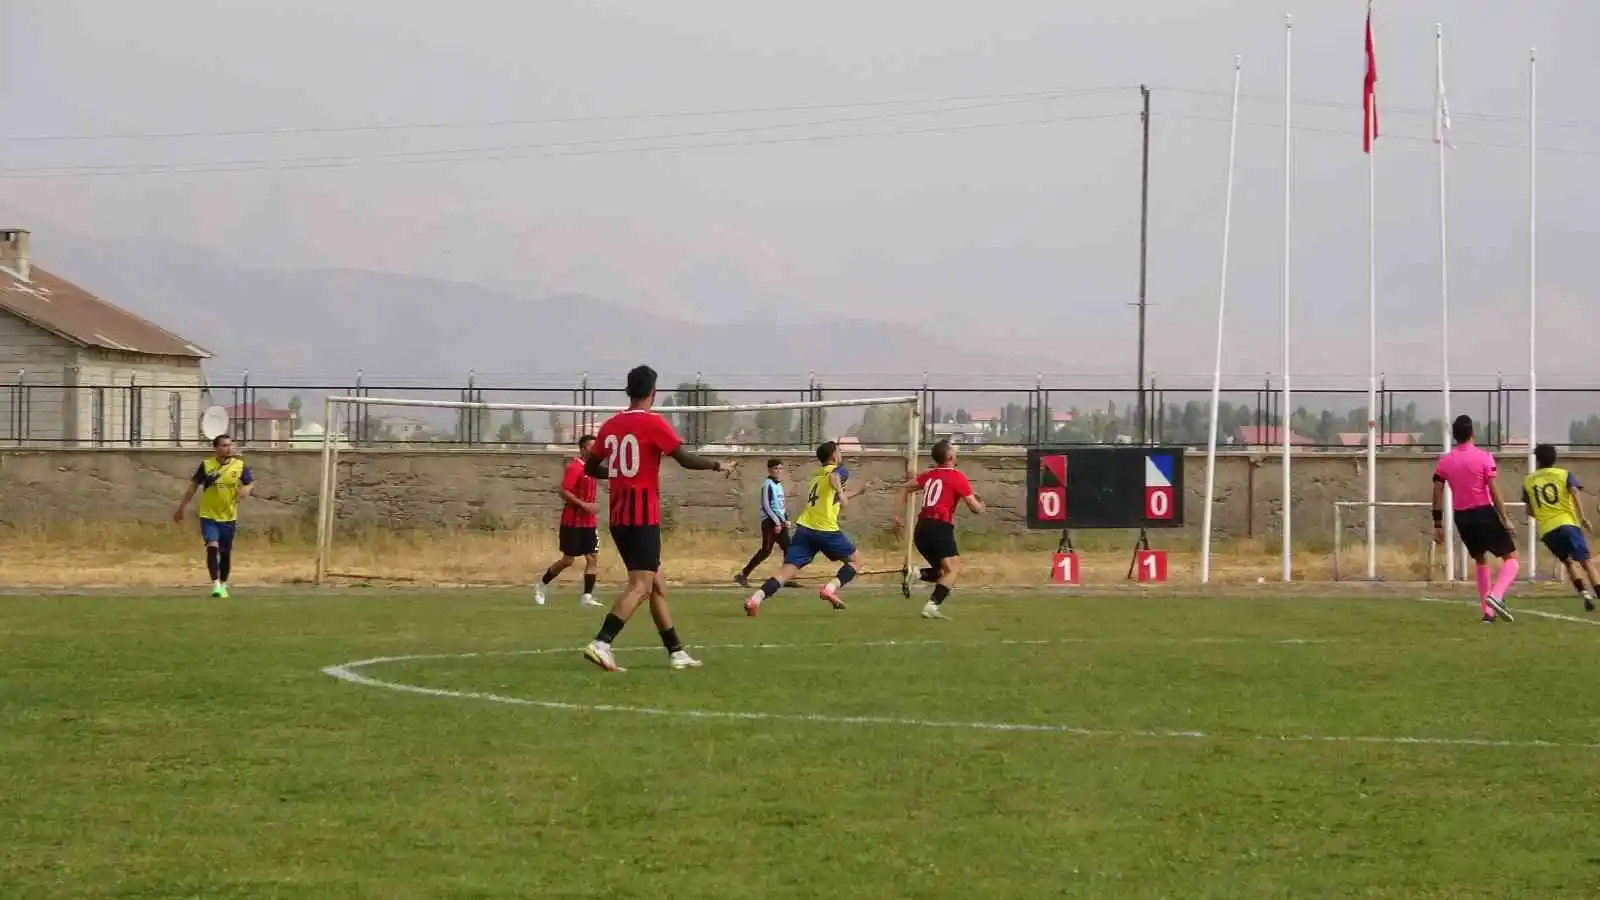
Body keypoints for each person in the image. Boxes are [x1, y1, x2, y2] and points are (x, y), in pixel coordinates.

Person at [581, 365, 738, 673]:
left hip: (619, 516)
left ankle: (676, 652)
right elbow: (685, 458)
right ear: (653, 392)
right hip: (642, 517)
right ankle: (602, 643)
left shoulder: (611, 425)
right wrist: (719, 466)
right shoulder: (653, 423)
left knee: (657, 585)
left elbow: (590, 467)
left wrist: (616, 472)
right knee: (640, 586)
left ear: (628, 391)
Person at [744, 441, 872, 616]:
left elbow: (830, 497)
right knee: (856, 561)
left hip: (805, 528)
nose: (841, 454)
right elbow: (835, 480)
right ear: (833, 456)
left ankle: (755, 599)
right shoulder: (840, 470)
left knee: (786, 572)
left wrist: (857, 492)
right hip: (825, 529)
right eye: (839, 451)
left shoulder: (816, 475)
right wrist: (842, 494)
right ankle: (830, 588)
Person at [1432, 415, 1518, 622]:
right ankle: (1496, 596)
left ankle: (1487, 614)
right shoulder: (1484, 457)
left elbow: (1436, 492)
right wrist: (1505, 518)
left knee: (1481, 560)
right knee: (1512, 559)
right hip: (1483, 511)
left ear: (1455, 436)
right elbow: (1494, 490)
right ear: (1472, 433)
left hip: (1461, 516)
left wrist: (1437, 523)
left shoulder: (1444, 461)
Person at [894, 439, 986, 620]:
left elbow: (905, 488)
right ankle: (931, 606)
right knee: (953, 569)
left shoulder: (929, 475)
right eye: (954, 449)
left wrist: (896, 517)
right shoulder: (957, 476)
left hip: (921, 529)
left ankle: (917, 574)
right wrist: (981, 505)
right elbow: (974, 507)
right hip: (939, 527)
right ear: (950, 456)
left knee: (942, 571)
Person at [173, 434, 254, 598]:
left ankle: (224, 584)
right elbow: (193, 487)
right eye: (224, 445)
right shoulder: (206, 465)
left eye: (230, 445)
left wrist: (247, 489)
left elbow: (250, 482)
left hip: (229, 516)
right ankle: (215, 584)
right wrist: (181, 508)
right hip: (208, 515)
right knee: (212, 545)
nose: (228, 448)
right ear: (216, 448)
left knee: (225, 553)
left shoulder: (239, 465)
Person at [1522, 443, 1598, 612]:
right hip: (1567, 523)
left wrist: (1543, 516)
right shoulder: (1564, 474)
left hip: (1548, 530)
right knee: (1585, 561)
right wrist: (1582, 517)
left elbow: (1529, 510)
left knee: (1568, 562)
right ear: (1554, 458)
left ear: (1538, 460)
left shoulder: (1528, 481)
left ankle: (1584, 593)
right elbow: (1575, 492)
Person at [535, 435, 603, 608]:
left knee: (592, 558)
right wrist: (585, 505)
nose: (594, 450)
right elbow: (564, 491)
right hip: (572, 522)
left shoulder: (593, 469)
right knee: (568, 560)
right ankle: (541, 585)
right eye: (591, 447)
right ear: (582, 449)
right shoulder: (575, 467)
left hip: (589, 523)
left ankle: (586, 597)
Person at [735, 459, 791, 589]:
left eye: (781, 468)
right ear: (770, 470)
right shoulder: (768, 485)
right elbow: (766, 505)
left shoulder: (779, 486)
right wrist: (776, 522)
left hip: (780, 522)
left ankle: (785, 577)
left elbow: (780, 506)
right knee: (766, 550)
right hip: (770, 522)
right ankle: (743, 574)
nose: (778, 471)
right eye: (776, 468)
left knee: (789, 549)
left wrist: (785, 519)